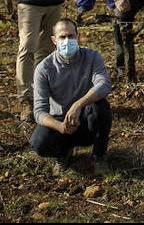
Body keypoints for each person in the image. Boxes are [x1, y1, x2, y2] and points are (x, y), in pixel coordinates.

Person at [30, 18, 114, 175]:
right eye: (62, 37)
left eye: (71, 36)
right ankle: (62, 154)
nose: (67, 40)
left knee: (101, 107)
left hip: (84, 119)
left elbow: (104, 85)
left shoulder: (92, 57)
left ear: (78, 36)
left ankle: (99, 155)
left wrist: (78, 105)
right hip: (60, 121)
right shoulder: (44, 68)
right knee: (38, 142)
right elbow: (39, 111)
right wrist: (59, 126)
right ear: (54, 40)